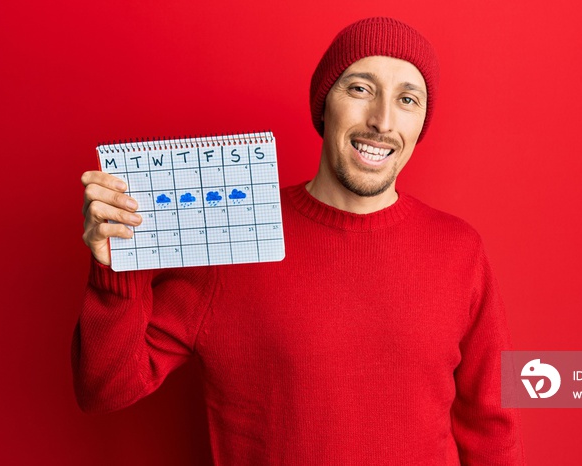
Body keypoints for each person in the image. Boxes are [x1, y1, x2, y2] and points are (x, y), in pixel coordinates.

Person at [74, 16, 525, 465]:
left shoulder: (460, 250)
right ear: (324, 104)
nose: (382, 121)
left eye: (407, 99)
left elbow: (493, 425)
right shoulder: (236, 236)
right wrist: (120, 268)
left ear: (422, 121)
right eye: (360, 89)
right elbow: (105, 388)